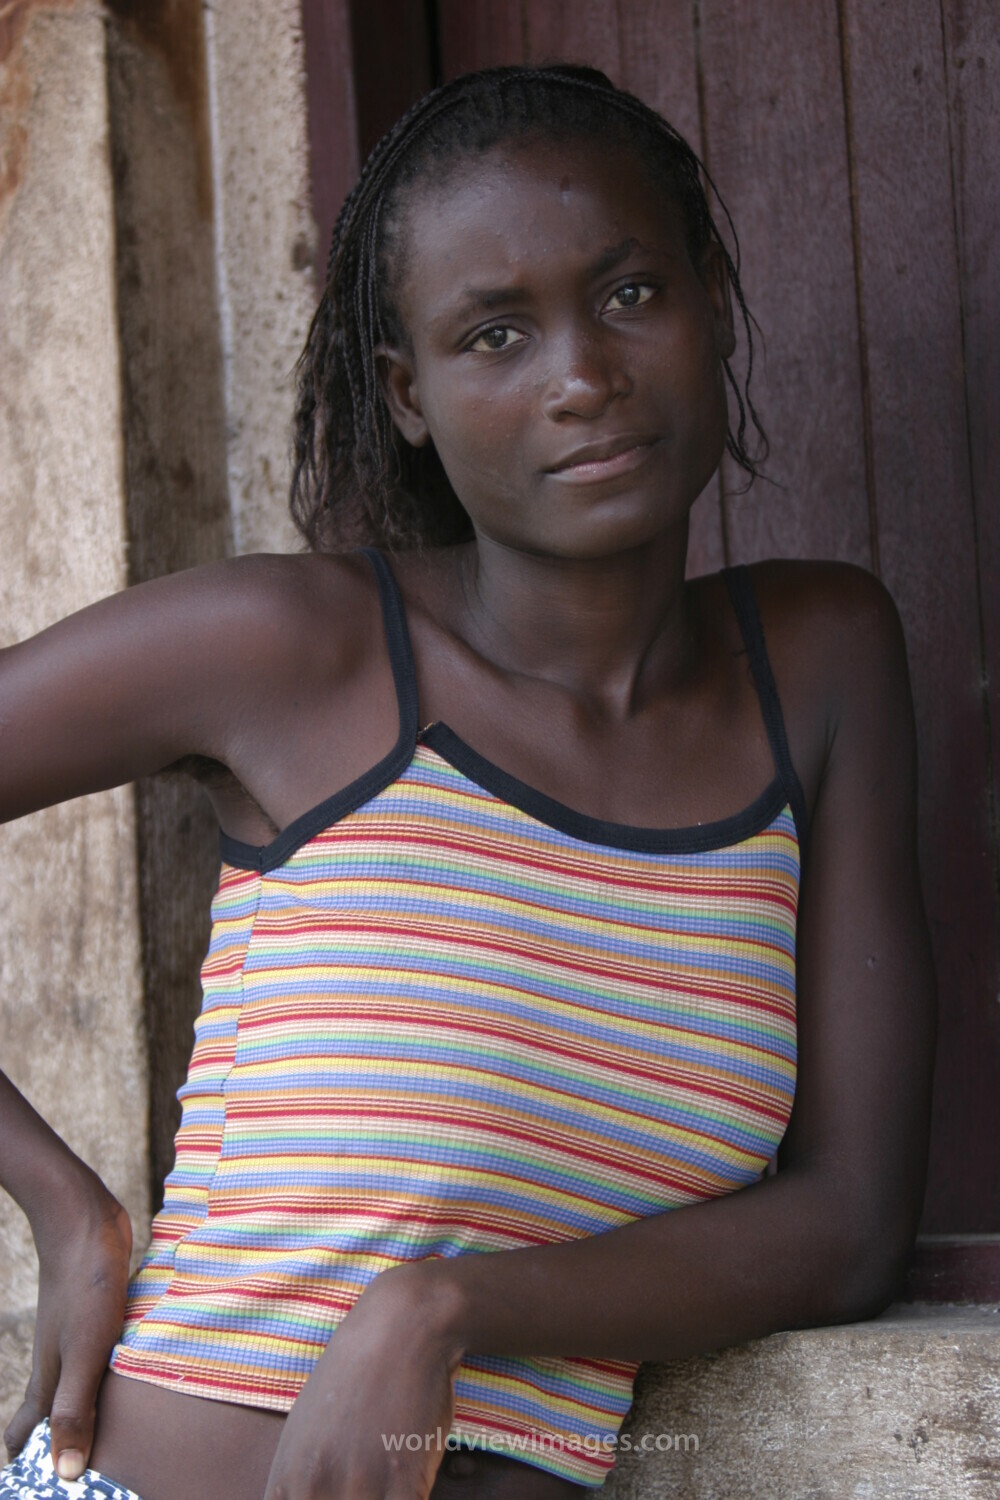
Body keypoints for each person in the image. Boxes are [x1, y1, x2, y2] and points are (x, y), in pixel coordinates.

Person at [0, 62, 936, 1500]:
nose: (583, 376)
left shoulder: (817, 665)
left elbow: (852, 1221)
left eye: (630, 294)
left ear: (712, 298)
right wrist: (63, 1211)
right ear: (410, 395)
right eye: (494, 333)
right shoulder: (293, 652)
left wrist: (448, 1306)